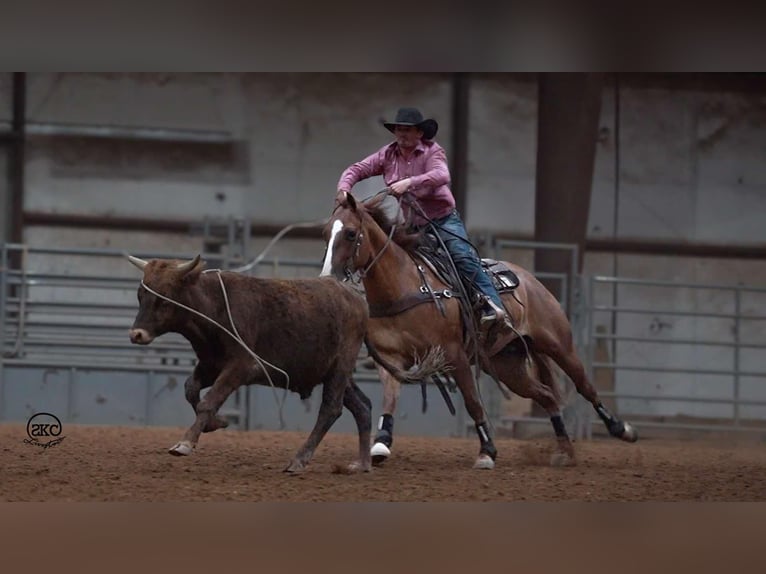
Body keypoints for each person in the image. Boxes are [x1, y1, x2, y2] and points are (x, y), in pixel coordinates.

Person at [336, 106, 510, 329]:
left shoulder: (432, 152)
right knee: (392, 261)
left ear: (420, 133)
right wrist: (344, 189)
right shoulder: (387, 154)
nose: (402, 134)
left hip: (443, 220)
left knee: (462, 256)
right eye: (399, 129)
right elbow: (356, 169)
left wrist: (409, 182)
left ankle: (493, 306)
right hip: (413, 225)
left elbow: (442, 175)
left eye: (408, 130)